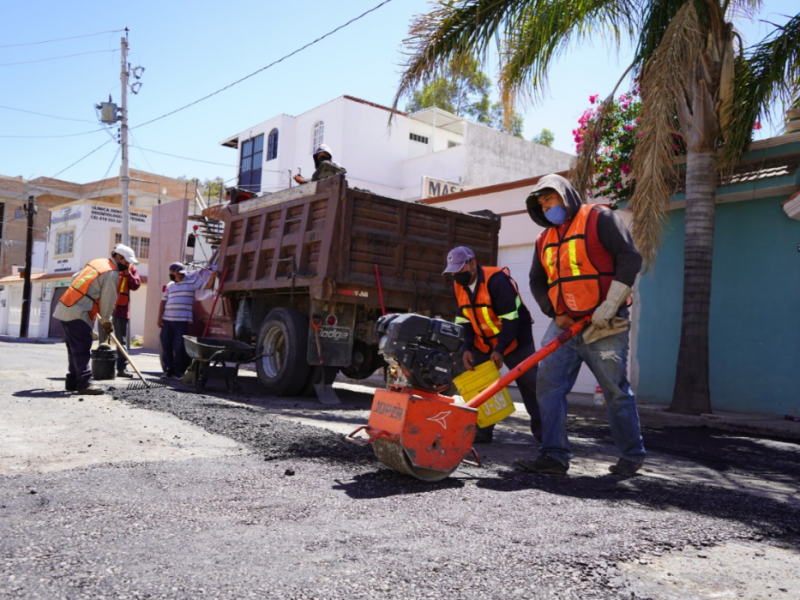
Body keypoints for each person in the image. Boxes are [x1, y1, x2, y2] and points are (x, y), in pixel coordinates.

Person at [516, 173, 645, 476]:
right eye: (541, 203)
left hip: (604, 323)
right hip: (564, 326)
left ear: (565, 194)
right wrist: (553, 312)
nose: (546, 206)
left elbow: (630, 259)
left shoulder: (599, 218)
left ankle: (632, 455)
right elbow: (537, 280)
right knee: (547, 386)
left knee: (615, 390)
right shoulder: (543, 239)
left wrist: (610, 304)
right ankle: (554, 455)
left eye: (549, 198)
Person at [444, 245, 541, 444]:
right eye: (453, 271)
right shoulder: (457, 286)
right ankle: (483, 431)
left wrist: (500, 349)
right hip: (483, 341)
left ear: (472, 263)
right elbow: (464, 320)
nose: (456, 276)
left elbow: (511, 320)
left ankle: (546, 437)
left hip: (515, 338)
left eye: (459, 269)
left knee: (531, 384)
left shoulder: (497, 281)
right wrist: (467, 347)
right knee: (479, 384)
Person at [53, 249, 131, 395]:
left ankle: (73, 382)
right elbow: (108, 300)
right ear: (118, 257)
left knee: (74, 348)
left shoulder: (97, 262)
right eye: (126, 262)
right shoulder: (112, 272)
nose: (127, 266)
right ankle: (85, 384)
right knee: (82, 348)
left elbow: (75, 277)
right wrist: (107, 321)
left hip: (65, 307)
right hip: (79, 312)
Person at [157, 262, 217, 380]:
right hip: (167, 320)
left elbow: (208, 286)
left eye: (181, 274)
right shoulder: (170, 285)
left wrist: (213, 276)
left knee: (179, 346)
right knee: (166, 346)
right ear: (172, 273)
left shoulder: (192, 281)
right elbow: (163, 301)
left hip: (182, 321)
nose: (180, 276)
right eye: (178, 274)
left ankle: (178, 372)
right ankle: (168, 371)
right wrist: (159, 317)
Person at [97, 243, 140, 377]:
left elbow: (135, 285)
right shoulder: (107, 267)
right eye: (126, 260)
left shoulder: (131, 269)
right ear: (117, 256)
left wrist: (128, 274)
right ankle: (102, 368)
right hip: (105, 308)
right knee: (104, 340)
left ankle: (121, 369)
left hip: (121, 310)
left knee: (121, 341)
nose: (127, 263)